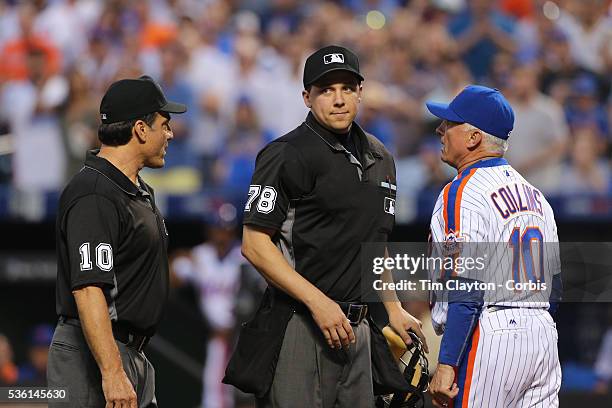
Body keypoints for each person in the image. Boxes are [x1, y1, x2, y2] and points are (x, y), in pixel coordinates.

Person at [223, 44, 427, 407]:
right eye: (326, 90)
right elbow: (254, 245)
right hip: (301, 323)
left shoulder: (382, 158)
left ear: (360, 93)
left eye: (347, 88)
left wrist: (393, 308)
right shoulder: (285, 154)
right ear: (307, 97)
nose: (338, 99)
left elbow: (373, 244)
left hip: (360, 327)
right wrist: (318, 302)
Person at [47, 75, 186, 408]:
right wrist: (111, 372)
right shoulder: (95, 192)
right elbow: (89, 288)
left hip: (129, 353)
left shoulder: (136, 189)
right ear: (140, 129)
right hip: (93, 354)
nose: (170, 133)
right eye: (164, 124)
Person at [425, 85, 562, 407]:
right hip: (542, 334)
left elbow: (466, 285)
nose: (440, 129)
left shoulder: (463, 192)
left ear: (473, 138)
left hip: (491, 334)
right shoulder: (536, 196)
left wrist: (447, 362)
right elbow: (555, 288)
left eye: (450, 124)